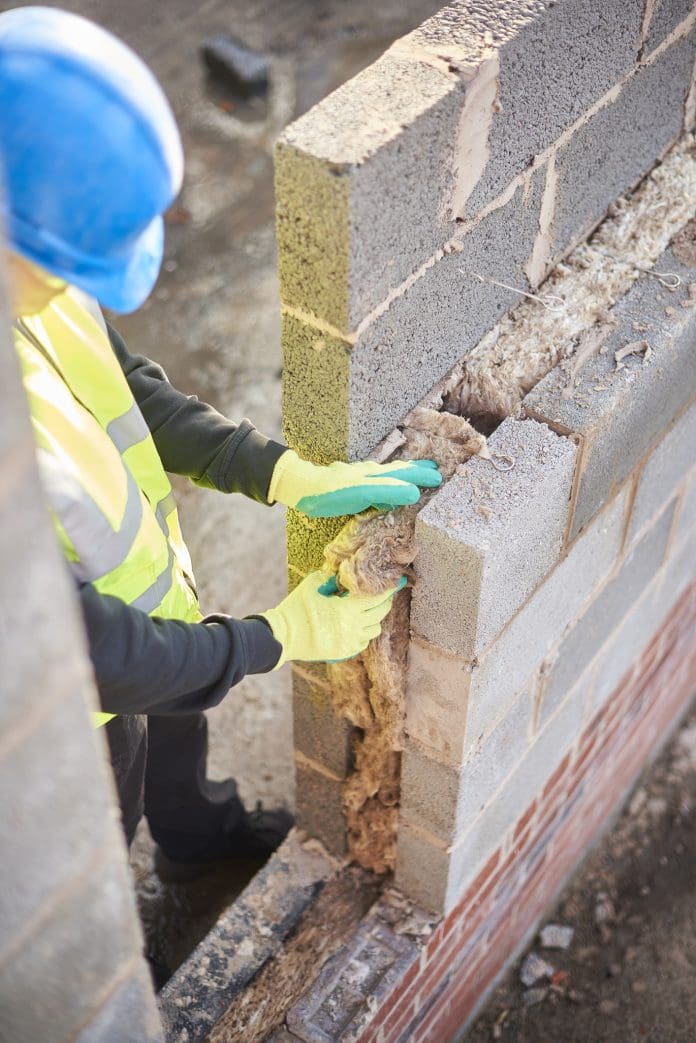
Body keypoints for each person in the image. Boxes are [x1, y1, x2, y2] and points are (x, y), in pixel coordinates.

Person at [0, 7, 442, 876]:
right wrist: (270, 636)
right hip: (77, 701)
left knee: (180, 740)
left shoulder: (31, 278)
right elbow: (90, 651)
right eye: (63, 270)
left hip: (152, 616)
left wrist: (275, 471)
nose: (75, 291)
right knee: (101, 838)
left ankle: (201, 840)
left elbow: (120, 385)